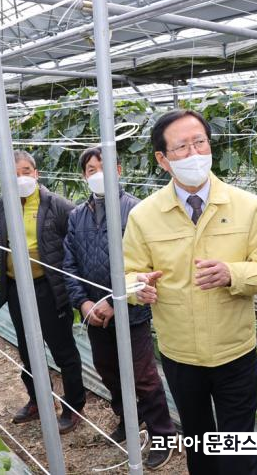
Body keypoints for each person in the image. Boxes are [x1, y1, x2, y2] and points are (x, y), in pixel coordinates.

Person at [121, 109, 257, 475]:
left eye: (200, 142)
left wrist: (232, 273)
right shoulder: (144, 216)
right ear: (162, 159)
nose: (194, 153)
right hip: (181, 353)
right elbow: (127, 275)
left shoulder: (247, 206)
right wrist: (137, 288)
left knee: (238, 448)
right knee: (198, 441)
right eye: (181, 147)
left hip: (234, 350)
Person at [62, 147, 176, 470]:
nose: (98, 174)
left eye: (104, 167)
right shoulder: (77, 217)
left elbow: (146, 264)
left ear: (118, 170)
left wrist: (115, 302)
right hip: (94, 313)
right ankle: (129, 417)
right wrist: (84, 303)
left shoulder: (136, 211)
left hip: (131, 310)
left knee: (143, 374)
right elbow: (69, 265)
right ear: (84, 176)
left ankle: (164, 435)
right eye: (91, 170)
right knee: (107, 368)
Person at [0, 150, 85, 433]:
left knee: (62, 350)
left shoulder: (57, 205)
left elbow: (75, 243)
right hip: (16, 288)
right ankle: (38, 400)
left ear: (36, 173)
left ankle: (73, 406)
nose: (20, 178)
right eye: (13, 174)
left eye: (25, 171)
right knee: (27, 349)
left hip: (48, 288)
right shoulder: (2, 205)